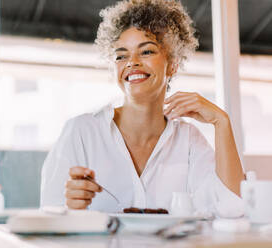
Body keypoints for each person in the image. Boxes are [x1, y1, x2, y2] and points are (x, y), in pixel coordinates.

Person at [40, 0, 244, 216]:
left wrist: (221, 122)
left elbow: (232, 208)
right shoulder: (81, 132)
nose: (132, 62)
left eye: (146, 52)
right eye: (121, 55)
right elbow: (49, 216)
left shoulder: (189, 140)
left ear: (173, 64)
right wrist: (70, 207)